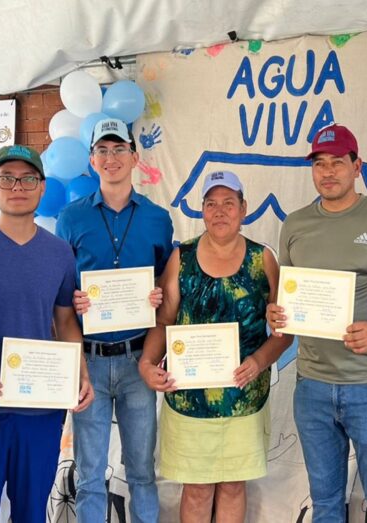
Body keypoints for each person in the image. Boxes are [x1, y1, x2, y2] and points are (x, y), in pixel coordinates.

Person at [266, 124, 367, 522]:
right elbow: (287, 301)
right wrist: (277, 314)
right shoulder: (295, 225)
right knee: (325, 503)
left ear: (357, 166)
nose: (328, 171)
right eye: (319, 163)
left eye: (337, 162)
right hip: (312, 385)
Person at [0, 145, 95, 523]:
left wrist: (81, 373)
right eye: (7, 178)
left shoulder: (60, 253)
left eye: (28, 178)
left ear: (42, 187)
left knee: (31, 514)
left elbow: (64, 322)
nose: (18, 186)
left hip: (41, 412)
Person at [138, 171, 293, 523]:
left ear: (244, 208)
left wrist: (259, 360)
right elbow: (164, 321)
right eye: (211, 203)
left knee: (234, 486)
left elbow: (285, 331)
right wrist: (147, 362)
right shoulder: (182, 258)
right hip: (190, 397)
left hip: (245, 396)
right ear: (202, 210)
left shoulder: (263, 259)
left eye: (228, 203)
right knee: (196, 488)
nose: (219, 211)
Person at [56, 118, 173, 523]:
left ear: (134, 157)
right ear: (91, 160)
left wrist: (157, 294)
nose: (111, 158)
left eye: (119, 149)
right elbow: (62, 292)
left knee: (141, 471)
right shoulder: (71, 219)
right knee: (89, 475)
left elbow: (164, 283)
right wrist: (74, 299)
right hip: (88, 361)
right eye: (102, 151)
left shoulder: (159, 219)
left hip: (138, 360)